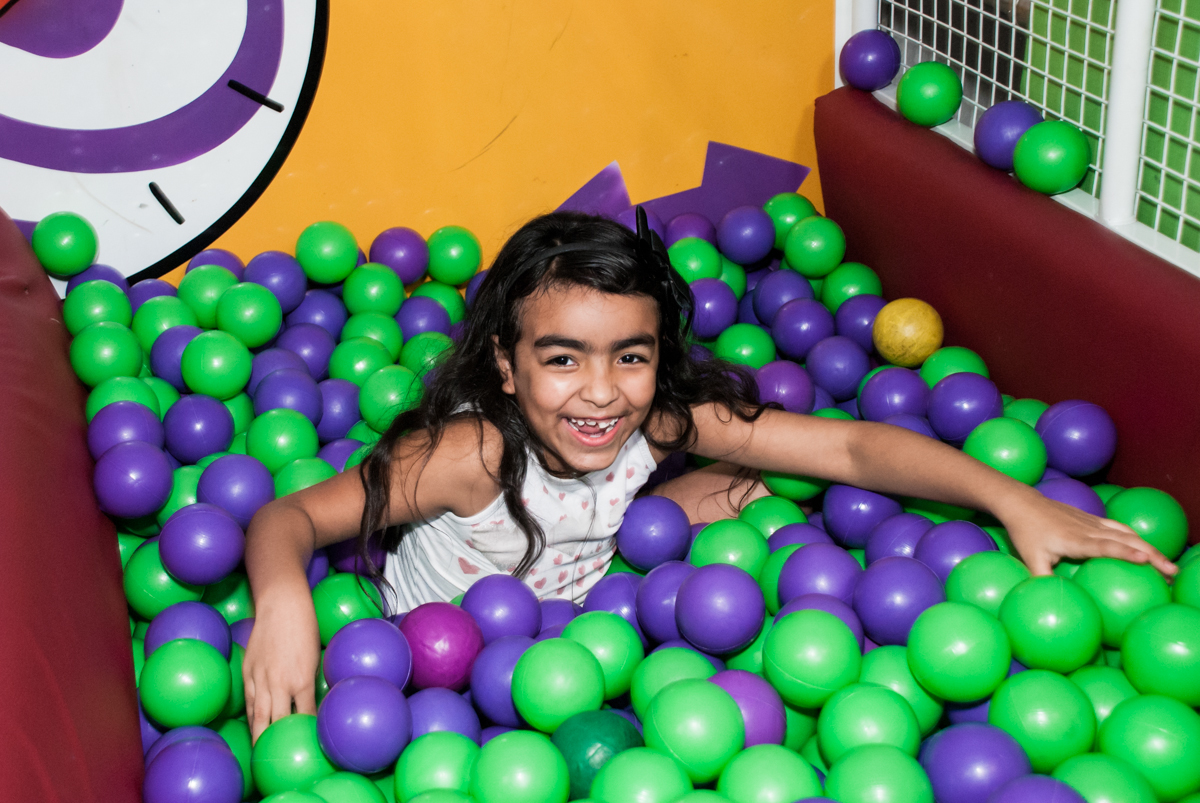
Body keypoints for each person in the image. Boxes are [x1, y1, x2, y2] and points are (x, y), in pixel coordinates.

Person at [242, 208, 1173, 740]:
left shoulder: (657, 416)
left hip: (600, 589)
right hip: (443, 654)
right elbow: (286, 518)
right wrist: (284, 602)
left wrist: (1015, 499)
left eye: (630, 356)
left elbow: (849, 449)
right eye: (562, 359)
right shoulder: (467, 455)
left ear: (659, 357)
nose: (600, 391)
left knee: (772, 486)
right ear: (506, 365)